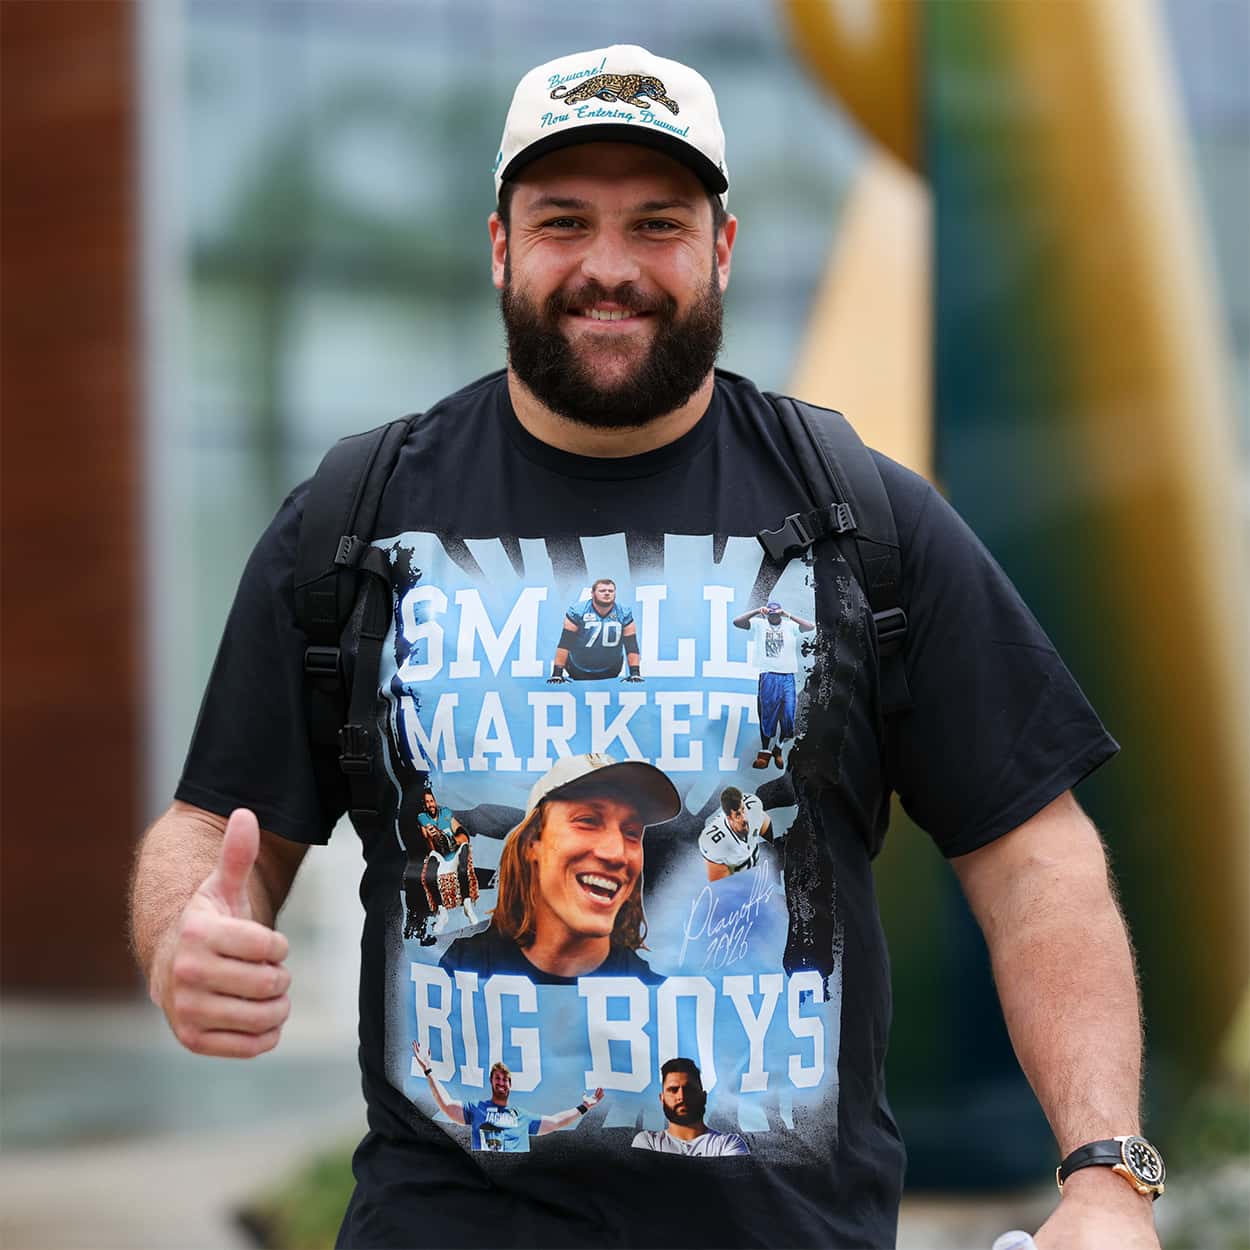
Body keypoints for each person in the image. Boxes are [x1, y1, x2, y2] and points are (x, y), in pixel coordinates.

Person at [129, 43, 1162, 1250]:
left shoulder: (861, 520)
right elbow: (213, 832)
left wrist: (1106, 1173)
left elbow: (1034, 858)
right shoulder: (356, 519)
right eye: (563, 221)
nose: (609, 267)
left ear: (720, 248)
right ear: (500, 245)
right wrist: (183, 937)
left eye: (656, 223)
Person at [439, 754, 677, 984]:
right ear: (532, 842)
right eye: (588, 821)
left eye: (632, 833)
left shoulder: (654, 995)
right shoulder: (462, 967)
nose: (616, 854)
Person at [411, 1044, 604, 1153]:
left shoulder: (522, 1116)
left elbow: (555, 1122)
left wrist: (584, 1107)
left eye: (505, 1080)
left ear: (510, 1085)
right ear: (491, 1082)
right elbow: (446, 1105)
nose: (501, 1083)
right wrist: (428, 1070)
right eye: (497, 1079)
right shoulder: (476, 1109)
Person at [733, 601, 815, 768]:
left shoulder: (789, 626)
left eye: (777, 614)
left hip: (788, 676)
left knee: (789, 717)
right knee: (768, 715)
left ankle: (778, 747)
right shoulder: (759, 624)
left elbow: (810, 626)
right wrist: (757, 611)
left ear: (780, 614)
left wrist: (788, 615)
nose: (774, 617)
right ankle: (765, 752)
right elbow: (737, 622)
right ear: (767, 614)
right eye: (771, 614)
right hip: (769, 675)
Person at [632, 1057, 749, 1156]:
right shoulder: (648, 1142)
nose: (681, 1096)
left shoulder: (728, 1144)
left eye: (689, 1089)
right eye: (673, 1090)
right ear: (662, 1099)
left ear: (703, 1097)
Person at [548, 577, 642, 682]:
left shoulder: (624, 612)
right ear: (592, 593)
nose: (607, 593)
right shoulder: (578, 611)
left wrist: (635, 673)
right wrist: (557, 673)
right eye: (602, 591)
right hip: (577, 668)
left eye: (610, 591)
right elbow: (565, 643)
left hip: (611, 669)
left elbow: (631, 645)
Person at [416, 789, 479, 934]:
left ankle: (467, 906)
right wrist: (430, 836)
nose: (430, 804)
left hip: (455, 851)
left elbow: (462, 833)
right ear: (424, 805)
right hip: (440, 855)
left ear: (435, 801)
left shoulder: (445, 813)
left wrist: (453, 840)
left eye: (431, 801)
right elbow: (427, 840)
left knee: (463, 863)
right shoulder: (423, 818)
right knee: (429, 875)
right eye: (427, 802)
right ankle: (442, 912)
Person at [698, 786, 774, 881]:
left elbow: (767, 830)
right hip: (738, 877)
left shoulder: (753, 805)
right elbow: (720, 884)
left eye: (743, 809)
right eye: (738, 815)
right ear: (729, 818)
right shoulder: (714, 842)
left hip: (761, 861)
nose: (745, 818)